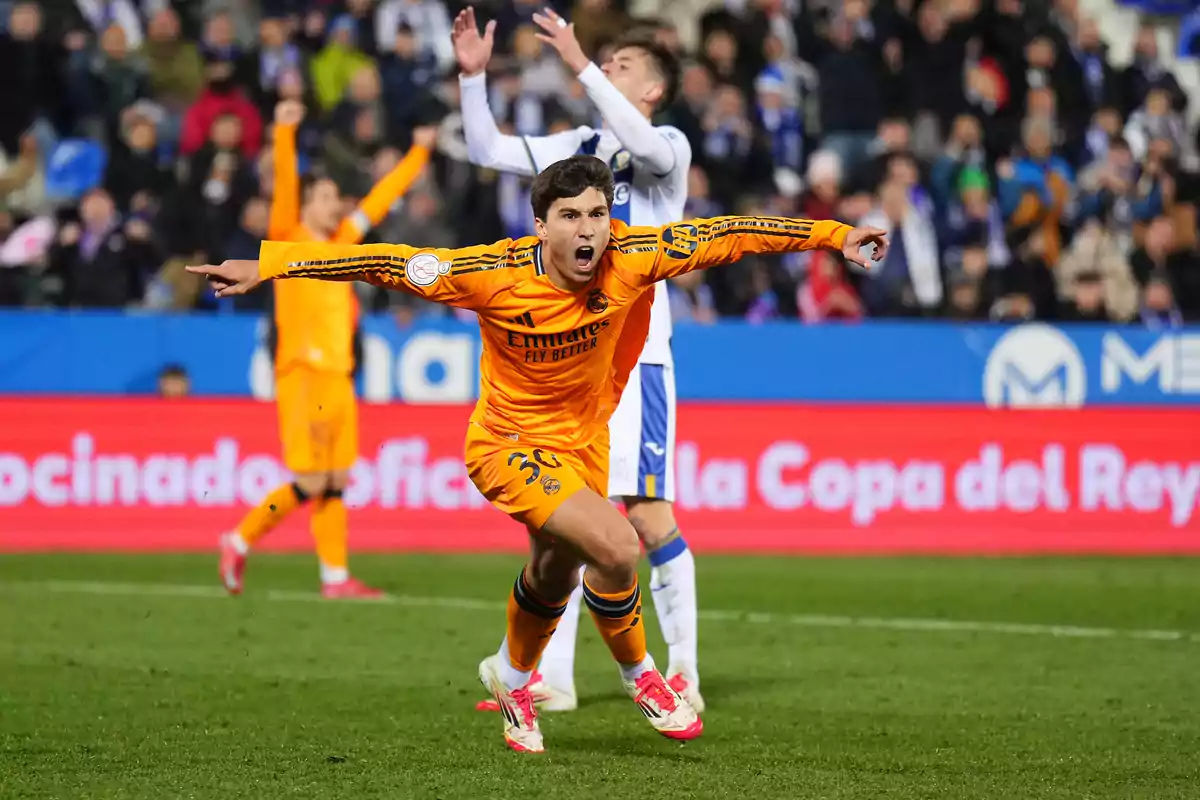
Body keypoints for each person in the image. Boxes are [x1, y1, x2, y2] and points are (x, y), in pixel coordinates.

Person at [188, 155, 886, 754]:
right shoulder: (491, 272)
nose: (589, 230)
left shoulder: (632, 255)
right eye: (572, 217)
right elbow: (386, 263)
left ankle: (514, 678)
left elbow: (733, 235)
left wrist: (834, 236)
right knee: (617, 544)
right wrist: (271, 264)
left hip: (583, 443)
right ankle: (642, 675)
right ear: (542, 225)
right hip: (506, 445)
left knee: (555, 570)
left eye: (598, 214)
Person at [453, 5, 704, 712]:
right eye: (604, 65)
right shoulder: (583, 143)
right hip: (576, 358)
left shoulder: (667, 146)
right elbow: (486, 151)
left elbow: (643, 149)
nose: (604, 70)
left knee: (648, 517)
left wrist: (578, 62)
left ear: (651, 90)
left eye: (622, 67)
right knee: (560, 525)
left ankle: (682, 668)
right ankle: (548, 680)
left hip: (639, 355)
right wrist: (473, 80)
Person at [217, 99, 436, 599]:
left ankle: (335, 577)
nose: (334, 204)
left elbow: (379, 201)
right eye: (325, 197)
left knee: (336, 478)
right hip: (301, 372)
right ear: (306, 203)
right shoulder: (287, 240)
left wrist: (418, 154)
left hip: (339, 375)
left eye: (336, 197)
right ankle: (238, 537)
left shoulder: (341, 242)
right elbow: (284, 190)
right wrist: (285, 132)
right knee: (312, 479)